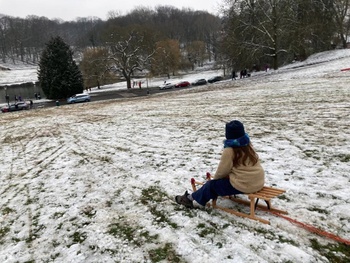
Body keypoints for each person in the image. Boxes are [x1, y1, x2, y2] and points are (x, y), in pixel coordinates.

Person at [175, 120, 265, 208]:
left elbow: (222, 172)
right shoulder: (248, 146)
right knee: (224, 179)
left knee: (211, 185)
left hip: (245, 185)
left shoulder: (230, 150)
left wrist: (214, 181)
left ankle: (189, 199)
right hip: (258, 182)